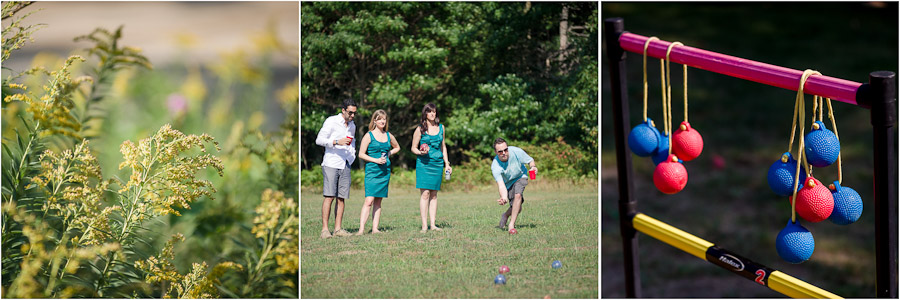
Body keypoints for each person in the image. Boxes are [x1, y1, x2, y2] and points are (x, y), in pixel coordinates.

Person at [315, 99, 357, 239]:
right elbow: (319, 140)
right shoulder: (331, 121)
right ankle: (325, 230)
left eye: (354, 113)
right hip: (331, 163)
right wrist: (336, 142)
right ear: (343, 110)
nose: (352, 116)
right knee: (329, 196)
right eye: (350, 113)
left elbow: (352, 142)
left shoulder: (352, 126)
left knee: (341, 198)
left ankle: (338, 229)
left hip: (345, 163)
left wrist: (352, 156)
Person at [355, 110, 400, 235]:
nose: (382, 121)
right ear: (374, 121)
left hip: (385, 171)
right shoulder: (368, 136)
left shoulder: (388, 135)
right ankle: (361, 229)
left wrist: (389, 154)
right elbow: (361, 154)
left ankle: (375, 229)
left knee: (378, 201)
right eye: (379, 119)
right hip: (372, 171)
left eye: (384, 119)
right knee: (369, 200)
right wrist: (375, 160)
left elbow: (397, 147)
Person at [411, 103, 452, 232]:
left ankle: (433, 224)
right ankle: (424, 225)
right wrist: (420, 152)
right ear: (425, 114)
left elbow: (443, 146)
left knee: (434, 195)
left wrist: (447, 163)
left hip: (438, 164)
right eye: (430, 112)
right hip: (424, 164)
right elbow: (413, 148)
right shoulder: (420, 129)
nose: (432, 114)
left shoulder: (441, 128)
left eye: (434, 112)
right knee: (425, 194)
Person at [491, 138, 537, 232]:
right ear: (495, 152)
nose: (504, 153)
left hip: (521, 176)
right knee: (518, 208)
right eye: (500, 151)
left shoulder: (516, 151)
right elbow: (501, 184)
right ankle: (505, 215)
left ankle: (511, 225)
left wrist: (533, 167)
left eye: (506, 149)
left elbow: (530, 160)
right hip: (508, 184)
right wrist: (504, 197)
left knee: (518, 195)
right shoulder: (495, 166)